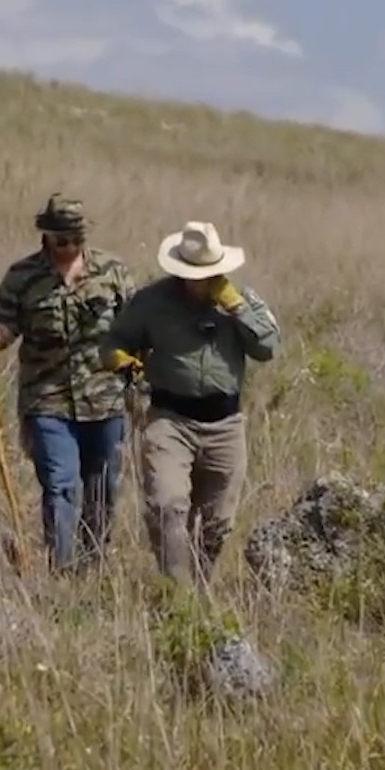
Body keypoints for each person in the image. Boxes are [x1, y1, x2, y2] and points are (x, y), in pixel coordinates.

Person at [100, 220, 280, 593]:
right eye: (193, 273)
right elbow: (114, 341)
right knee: (167, 506)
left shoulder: (241, 299)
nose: (201, 280)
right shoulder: (151, 302)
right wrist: (123, 361)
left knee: (218, 522)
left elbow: (268, 348)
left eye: (209, 272)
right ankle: (178, 594)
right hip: (169, 420)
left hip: (225, 425)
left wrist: (238, 310)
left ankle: (200, 587)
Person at [0, 192, 140, 575]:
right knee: (61, 486)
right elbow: (3, 333)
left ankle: (90, 571)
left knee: (102, 491)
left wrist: (139, 381)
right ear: (46, 236)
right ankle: (60, 570)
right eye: (62, 240)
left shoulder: (112, 272)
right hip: (48, 402)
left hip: (105, 402)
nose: (70, 247)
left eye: (76, 239)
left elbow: (136, 330)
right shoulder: (23, 277)